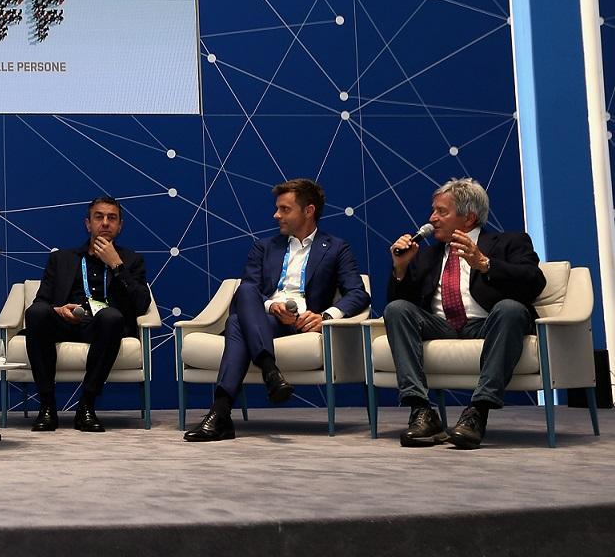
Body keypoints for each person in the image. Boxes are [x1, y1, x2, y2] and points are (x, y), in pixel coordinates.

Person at [185, 178, 370, 443]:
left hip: (300, 323)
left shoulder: (336, 248)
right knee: (245, 293)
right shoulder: (264, 247)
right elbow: (250, 289)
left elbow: (358, 293)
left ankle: (220, 415)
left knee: (237, 324)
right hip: (265, 320)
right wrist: (273, 306)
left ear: (309, 211)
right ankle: (269, 371)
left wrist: (326, 316)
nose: (277, 215)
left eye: (284, 209)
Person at [384, 177, 544, 449]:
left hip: (486, 323)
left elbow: (534, 281)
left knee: (510, 309)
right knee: (396, 309)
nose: (432, 218)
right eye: (433, 210)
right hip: (441, 325)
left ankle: (477, 412)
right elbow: (403, 308)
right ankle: (421, 410)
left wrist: (484, 263)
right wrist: (400, 269)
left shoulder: (509, 242)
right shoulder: (426, 255)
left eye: (441, 212)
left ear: (468, 218)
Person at [24, 196, 151, 433]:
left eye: (111, 218)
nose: (105, 223)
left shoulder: (132, 260)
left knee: (111, 317)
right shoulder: (61, 258)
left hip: (102, 327)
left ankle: (86, 406)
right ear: (88, 224)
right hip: (66, 321)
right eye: (99, 217)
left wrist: (117, 265)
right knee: (37, 313)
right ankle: (47, 407)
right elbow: (41, 300)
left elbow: (142, 304)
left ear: (120, 226)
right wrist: (58, 309)